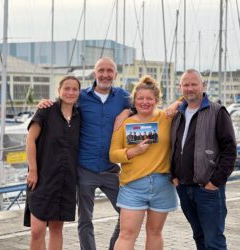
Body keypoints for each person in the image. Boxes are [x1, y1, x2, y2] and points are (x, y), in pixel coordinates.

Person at [37, 57, 131, 250]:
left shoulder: (123, 97)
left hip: (111, 169)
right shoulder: (81, 96)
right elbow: (63, 102)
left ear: (115, 74)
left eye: (109, 71)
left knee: (127, 215)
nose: (105, 74)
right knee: (85, 219)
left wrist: (127, 111)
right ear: (94, 73)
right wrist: (44, 102)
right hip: (84, 169)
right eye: (101, 70)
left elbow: (146, 102)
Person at [109, 75, 178, 250]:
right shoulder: (124, 123)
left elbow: (189, 95)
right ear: (134, 101)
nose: (145, 102)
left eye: (149, 98)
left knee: (155, 233)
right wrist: (133, 151)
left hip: (163, 184)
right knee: (126, 235)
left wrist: (176, 104)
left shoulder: (167, 118)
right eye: (140, 98)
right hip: (133, 185)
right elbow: (113, 155)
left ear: (156, 100)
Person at [170, 69, 237, 250]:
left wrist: (214, 182)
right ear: (180, 87)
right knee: (199, 237)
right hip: (183, 188)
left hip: (208, 190)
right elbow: (172, 147)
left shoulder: (217, 111)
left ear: (203, 86)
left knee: (213, 241)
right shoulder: (177, 114)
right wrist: (173, 177)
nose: (190, 88)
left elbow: (230, 151)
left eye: (194, 84)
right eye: (186, 84)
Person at [24, 75, 81, 250]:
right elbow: (30, 140)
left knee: (57, 229)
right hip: (42, 179)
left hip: (66, 181)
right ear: (59, 90)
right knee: (37, 230)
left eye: (74, 89)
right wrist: (33, 170)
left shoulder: (80, 116)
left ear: (79, 92)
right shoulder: (46, 111)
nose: (70, 92)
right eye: (67, 88)